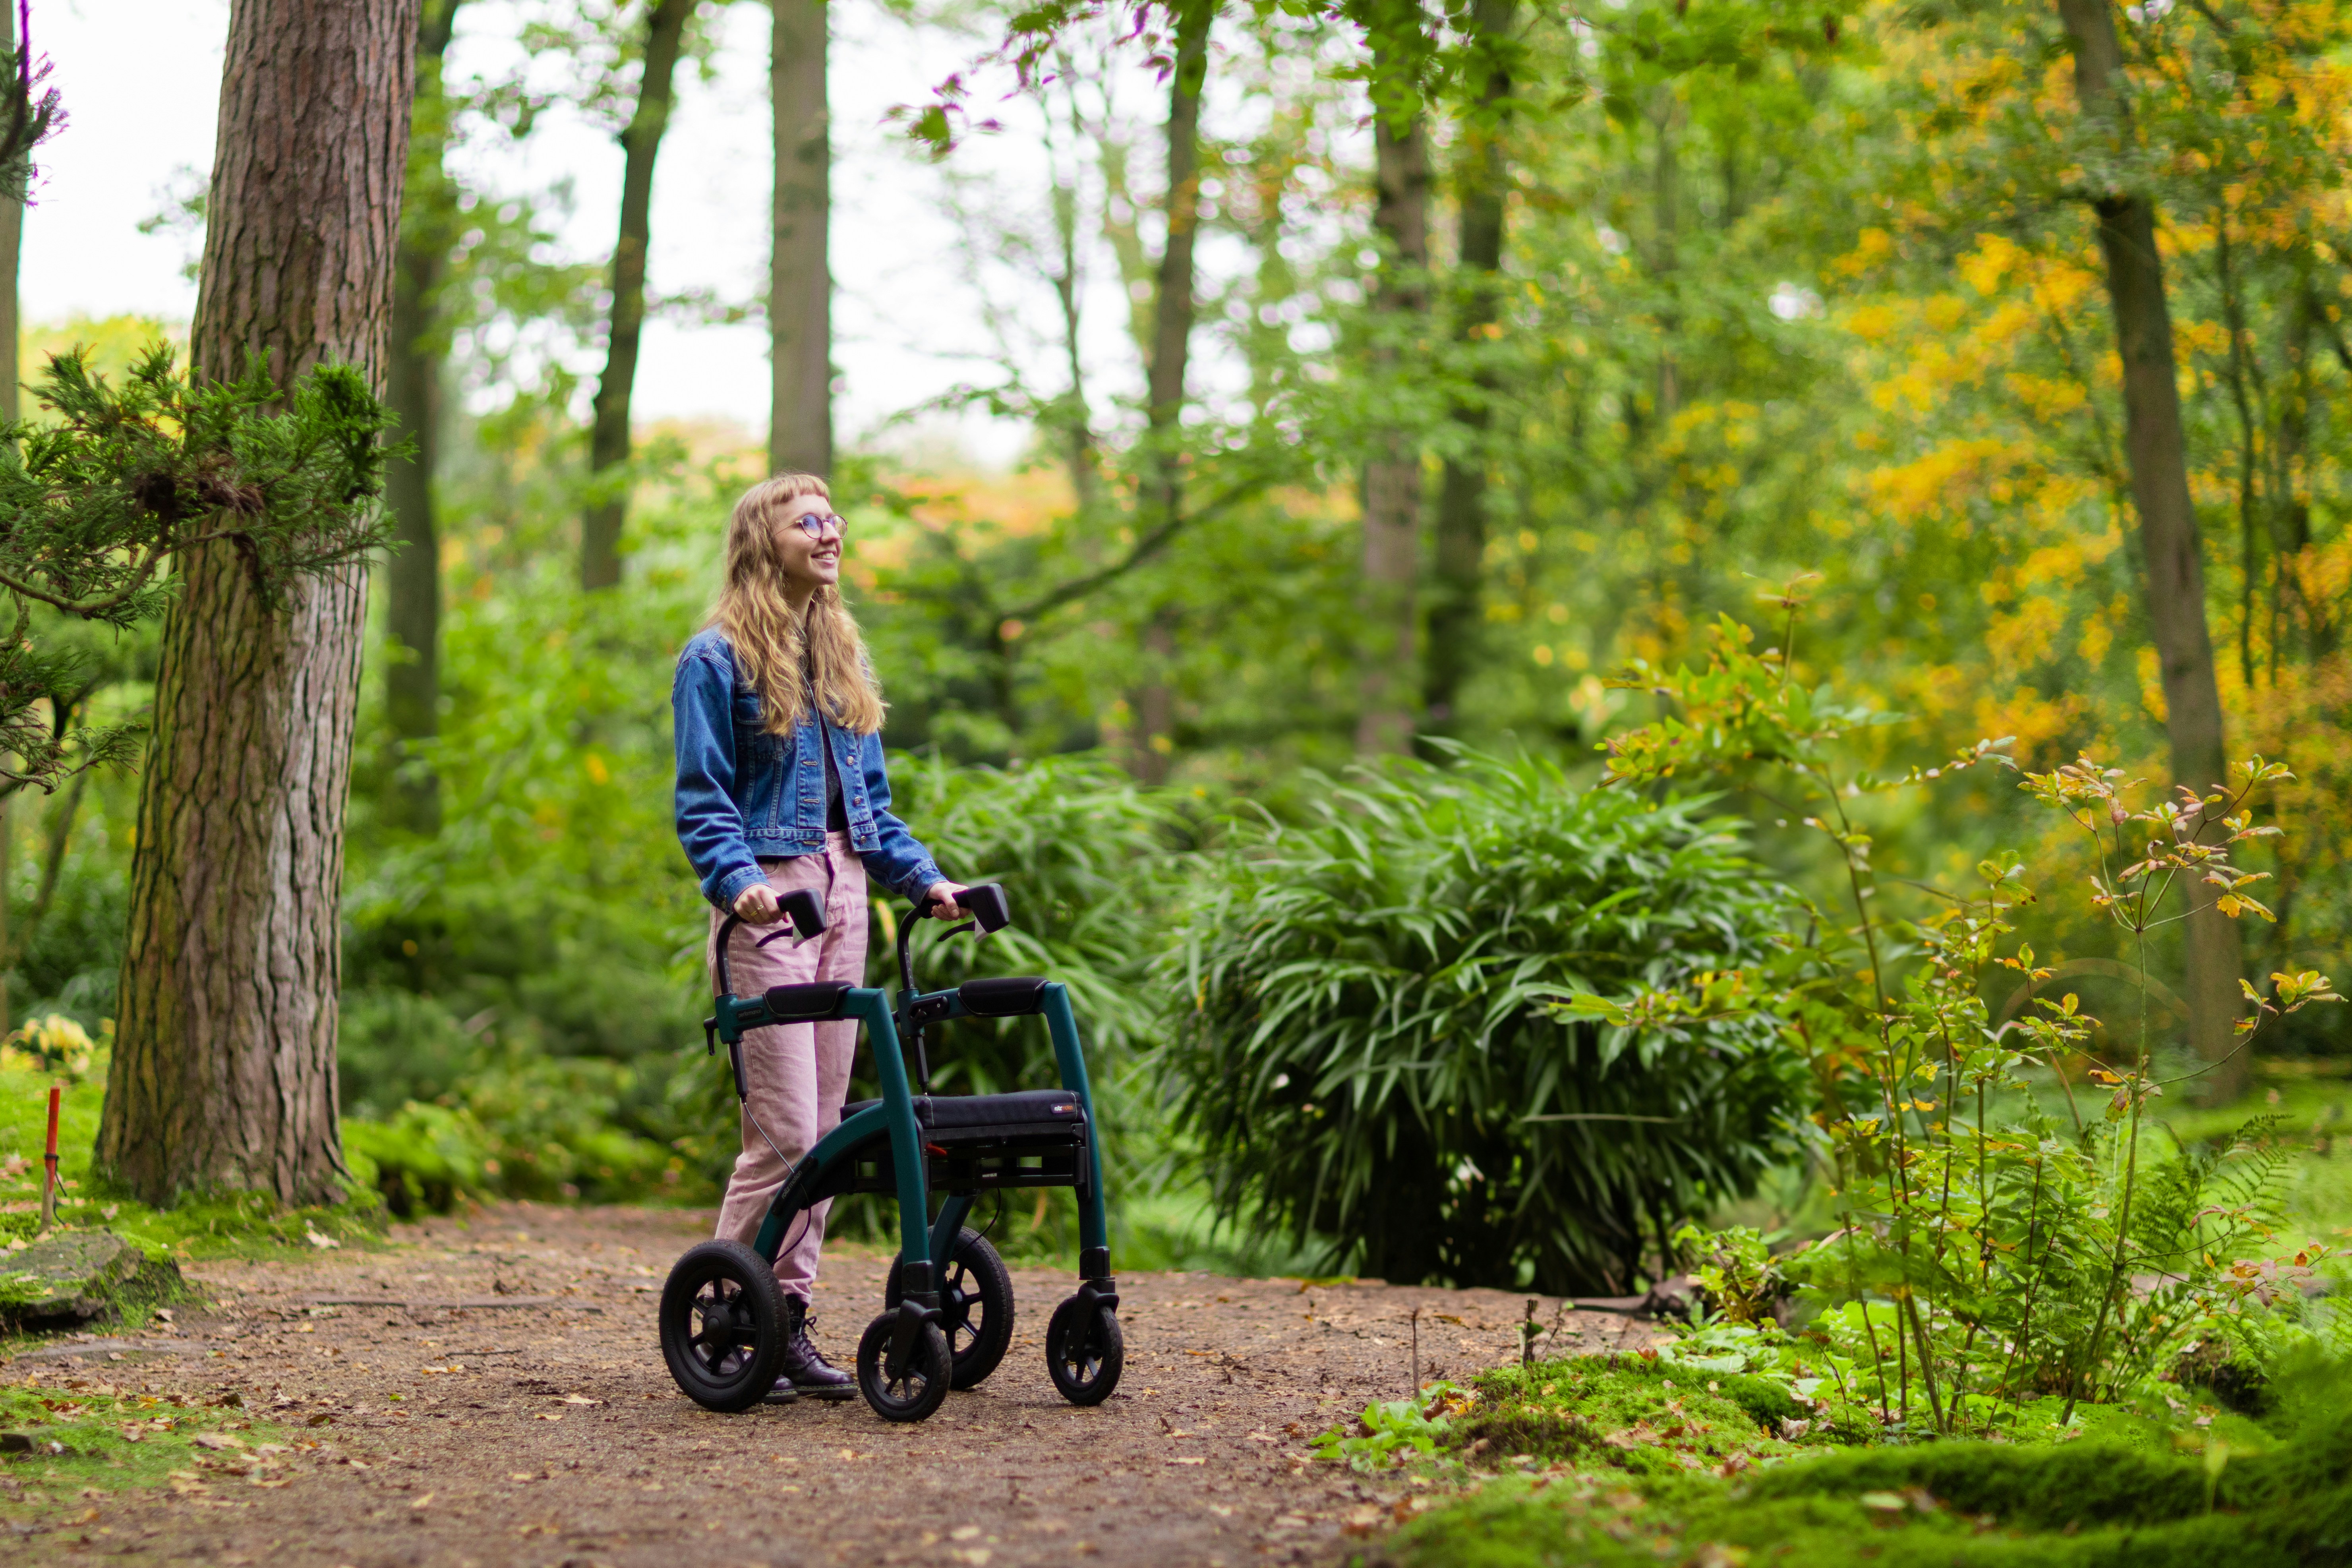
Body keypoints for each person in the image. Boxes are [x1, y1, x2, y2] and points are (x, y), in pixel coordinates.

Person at [671, 472, 968, 1402]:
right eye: (809, 520)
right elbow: (701, 799)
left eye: (833, 518)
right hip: (770, 897)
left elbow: (871, 814)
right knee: (786, 1134)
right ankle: (732, 1318)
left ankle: (784, 1321)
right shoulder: (714, 660)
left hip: (842, 897)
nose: (830, 530)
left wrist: (926, 879)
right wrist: (741, 885)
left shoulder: (836, 655)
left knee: (828, 1137)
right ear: (766, 540)